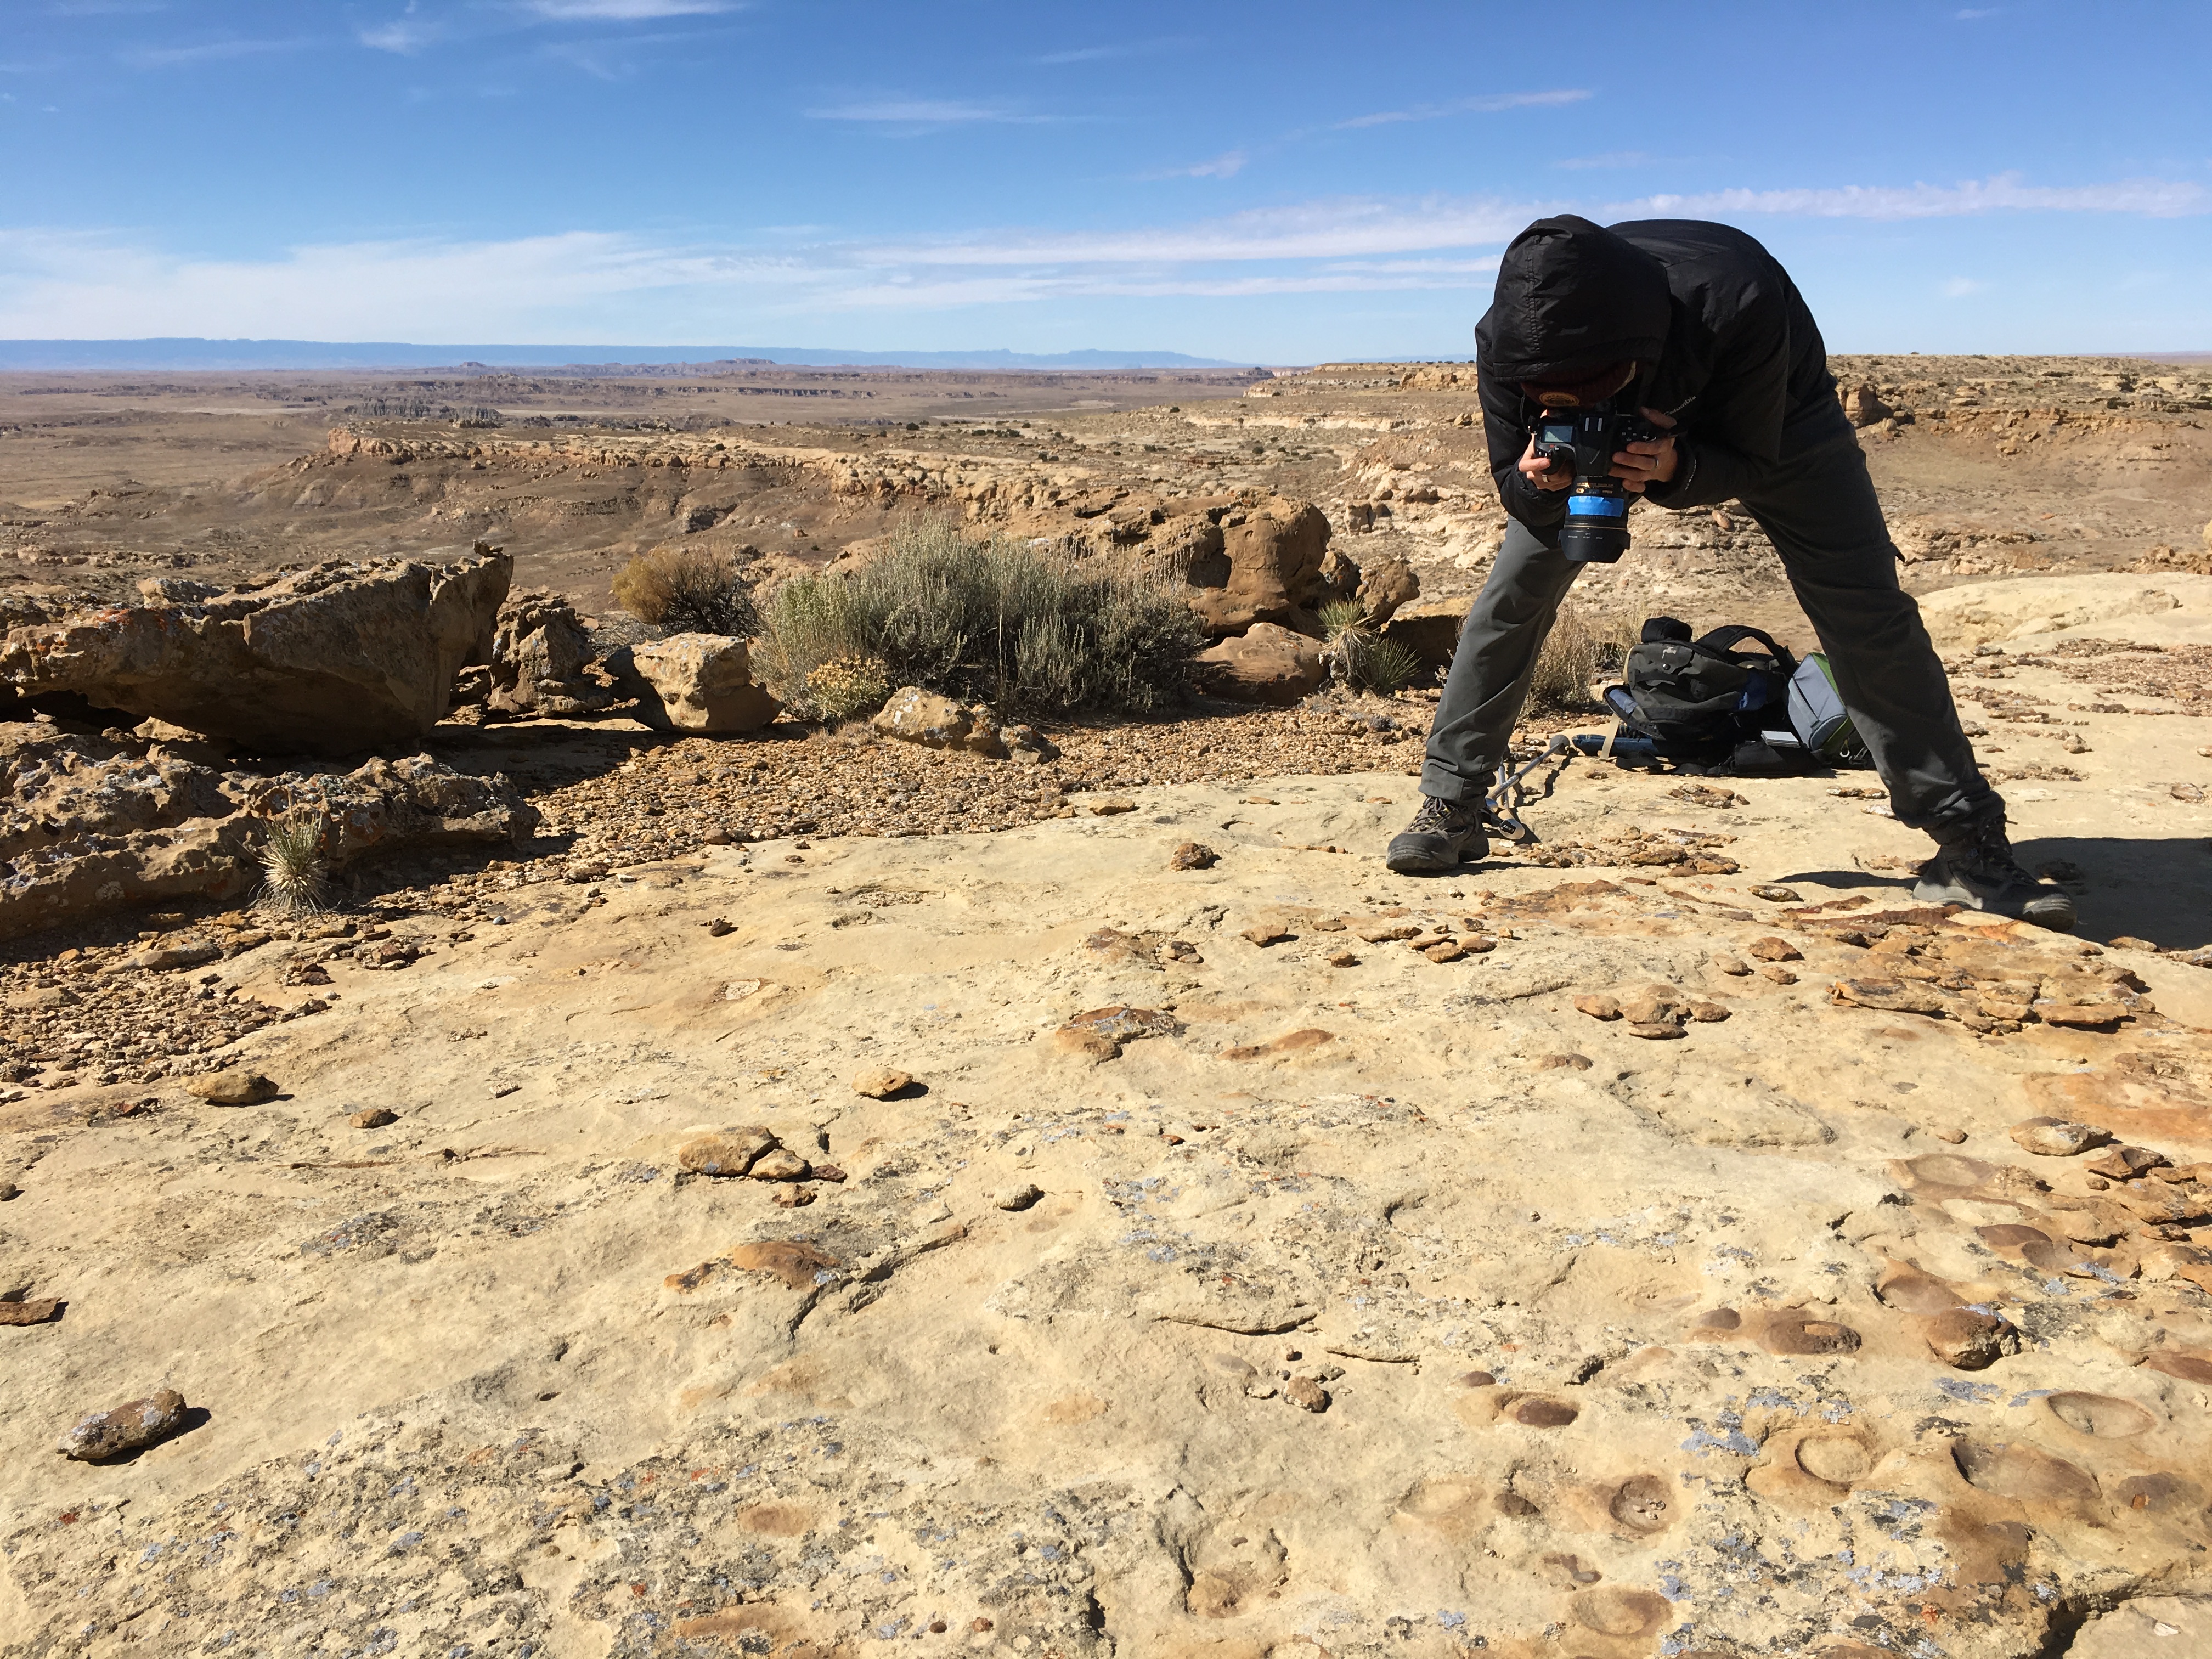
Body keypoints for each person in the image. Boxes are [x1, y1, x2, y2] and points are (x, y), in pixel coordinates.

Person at [1385, 215, 2074, 930]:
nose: (1589, 404)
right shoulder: (1508, 344)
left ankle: (1967, 841)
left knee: (1864, 609)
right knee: (1510, 599)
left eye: (1601, 386)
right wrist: (1541, 483)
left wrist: (1680, 467)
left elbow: (1754, 457)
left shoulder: (1737, 298)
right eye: (1564, 399)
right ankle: (1452, 804)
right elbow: (1510, 481)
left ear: (1639, 346)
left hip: (1777, 418)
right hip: (1639, 423)